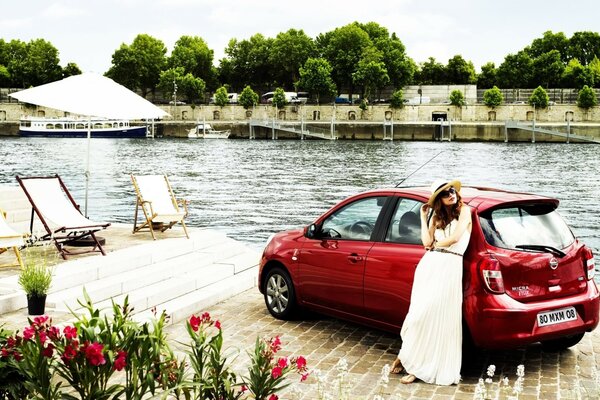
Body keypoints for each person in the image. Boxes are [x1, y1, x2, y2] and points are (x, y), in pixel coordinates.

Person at [391, 179, 472, 385]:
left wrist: (437, 244)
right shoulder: (436, 216)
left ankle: (418, 368)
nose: (451, 194)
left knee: (437, 319)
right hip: (429, 267)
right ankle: (409, 357)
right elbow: (426, 243)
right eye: (445, 194)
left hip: (450, 267)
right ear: (438, 200)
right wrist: (423, 216)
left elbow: (455, 238)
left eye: (452, 191)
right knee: (418, 316)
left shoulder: (465, 211)